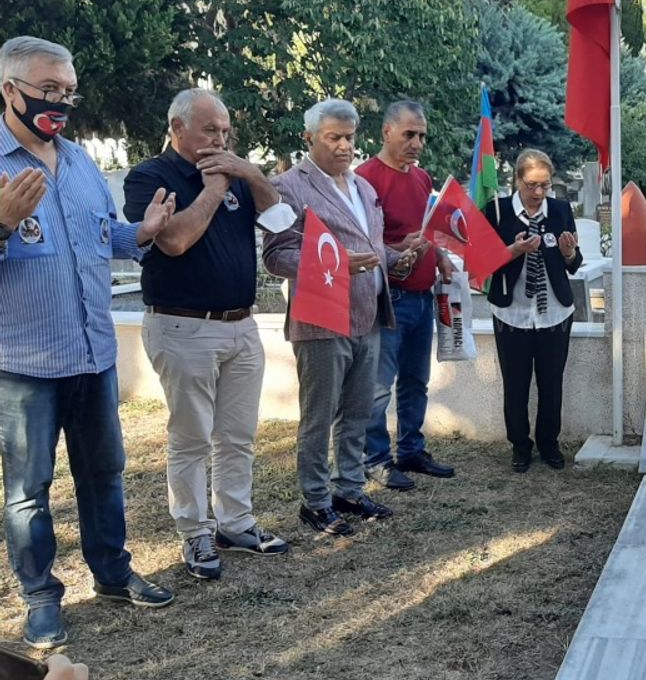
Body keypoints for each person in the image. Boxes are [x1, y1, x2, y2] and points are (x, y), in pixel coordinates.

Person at [0, 36, 175, 649]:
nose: (61, 104)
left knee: (105, 472)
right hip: (23, 364)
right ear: (9, 90)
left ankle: (113, 572)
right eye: (49, 92)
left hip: (93, 353)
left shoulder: (77, 163)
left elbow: (106, 239)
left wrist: (143, 232)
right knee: (28, 491)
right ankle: (41, 599)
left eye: (68, 93)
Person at [123, 88, 290, 581]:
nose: (220, 138)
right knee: (191, 438)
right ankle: (194, 531)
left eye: (225, 131)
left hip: (241, 325)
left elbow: (280, 219)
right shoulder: (150, 176)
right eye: (209, 130)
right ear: (177, 128)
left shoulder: (234, 173)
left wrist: (251, 174)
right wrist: (214, 188)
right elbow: (172, 241)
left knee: (237, 434)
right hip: (183, 325)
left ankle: (235, 522)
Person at [262, 99, 418, 536]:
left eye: (350, 137)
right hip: (321, 321)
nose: (345, 146)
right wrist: (333, 264)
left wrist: (396, 257)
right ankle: (314, 500)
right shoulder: (288, 187)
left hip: (367, 316)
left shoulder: (364, 188)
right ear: (309, 138)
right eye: (334, 137)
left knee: (357, 412)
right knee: (319, 415)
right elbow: (276, 256)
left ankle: (349, 488)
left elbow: (369, 247)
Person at [358, 101, 456, 491]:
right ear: (386, 132)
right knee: (379, 386)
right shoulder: (365, 178)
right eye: (409, 134)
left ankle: (411, 449)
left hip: (422, 295)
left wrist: (442, 256)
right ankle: (375, 458)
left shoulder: (421, 178)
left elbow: (427, 230)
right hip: (388, 296)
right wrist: (400, 247)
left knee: (416, 380)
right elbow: (364, 241)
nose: (417, 143)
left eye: (422, 136)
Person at [483, 149, 582, 472]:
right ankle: (520, 445)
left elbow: (573, 263)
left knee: (552, 382)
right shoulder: (497, 211)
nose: (538, 193)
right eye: (531, 185)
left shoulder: (560, 210)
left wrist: (569, 254)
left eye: (545, 185)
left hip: (554, 312)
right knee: (516, 383)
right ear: (517, 181)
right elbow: (483, 263)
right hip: (512, 313)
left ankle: (549, 443)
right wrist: (513, 251)